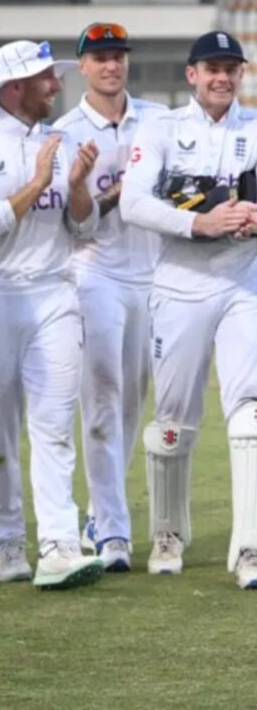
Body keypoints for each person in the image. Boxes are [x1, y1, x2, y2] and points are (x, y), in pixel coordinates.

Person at [0, 39, 105, 590]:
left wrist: (78, 186)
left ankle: (60, 545)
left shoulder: (61, 143)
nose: (57, 86)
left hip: (54, 295)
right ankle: (8, 540)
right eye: (47, 78)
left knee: (54, 426)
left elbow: (83, 229)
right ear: (15, 87)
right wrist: (37, 183)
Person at [119, 30, 257, 587]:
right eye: (211, 68)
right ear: (191, 75)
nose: (222, 77)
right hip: (178, 287)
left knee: (250, 415)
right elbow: (132, 202)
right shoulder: (162, 130)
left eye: (231, 68)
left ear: (241, 74)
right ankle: (168, 533)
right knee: (173, 425)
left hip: (244, 285)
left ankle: (250, 546)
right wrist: (199, 223)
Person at [52, 23, 168, 572]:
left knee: (132, 405)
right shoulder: (66, 131)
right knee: (100, 404)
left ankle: (102, 512)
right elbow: (73, 225)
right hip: (95, 273)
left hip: (155, 272)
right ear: (82, 67)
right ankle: (114, 534)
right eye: (99, 58)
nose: (111, 66)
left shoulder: (157, 120)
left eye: (118, 56)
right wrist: (119, 192)